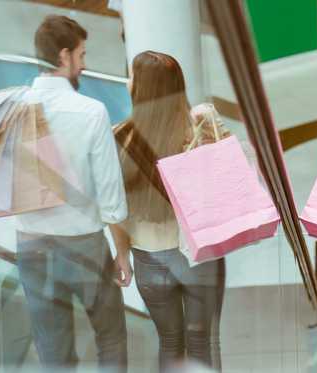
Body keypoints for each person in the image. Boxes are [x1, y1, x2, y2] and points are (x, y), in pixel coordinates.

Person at [15, 15, 129, 371]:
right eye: (82, 54)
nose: (84, 63)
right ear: (64, 56)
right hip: (84, 244)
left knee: (52, 346)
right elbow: (111, 199)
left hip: (31, 243)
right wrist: (122, 253)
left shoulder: (13, 107)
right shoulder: (91, 112)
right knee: (110, 335)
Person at [109, 51, 227, 372]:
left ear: (141, 88)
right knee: (202, 342)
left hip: (148, 257)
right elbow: (225, 190)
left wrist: (121, 254)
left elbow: (113, 207)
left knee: (170, 343)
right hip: (198, 254)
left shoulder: (119, 136)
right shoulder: (201, 131)